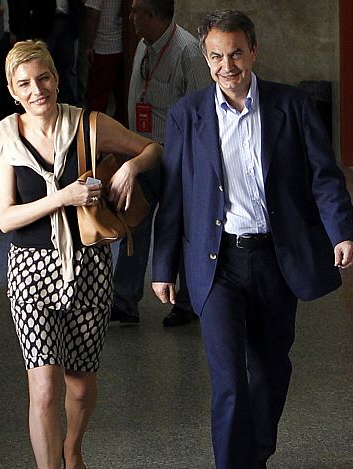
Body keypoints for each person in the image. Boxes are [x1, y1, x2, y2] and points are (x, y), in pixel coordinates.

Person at [151, 10, 353, 469]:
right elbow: (174, 194)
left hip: (275, 260)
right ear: (206, 58)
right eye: (217, 56)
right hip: (215, 266)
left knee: (271, 372)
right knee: (229, 385)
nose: (228, 66)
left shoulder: (292, 107)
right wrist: (162, 266)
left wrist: (342, 232)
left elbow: (324, 177)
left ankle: (256, 452)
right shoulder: (188, 115)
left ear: (254, 51)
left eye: (237, 54)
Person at [0, 40, 160, 469]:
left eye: (43, 79)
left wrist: (129, 168)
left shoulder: (88, 124)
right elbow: (5, 218)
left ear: (57, 78)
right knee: (44, 390)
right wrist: (61, 196)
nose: (36, 90)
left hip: (87, 269)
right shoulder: (3, 140)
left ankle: (73, 451)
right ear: (13, 92)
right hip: (30, 273)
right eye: (24, 84)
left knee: (81, 387)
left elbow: (153, 147)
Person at [109, 0, 209, 326]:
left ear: (153, 15)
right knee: (132, 224)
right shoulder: (144, 45)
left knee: (180, 229)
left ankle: (187, 304)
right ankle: (123, 302)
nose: (131, 16)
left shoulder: (188, 53)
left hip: (177, 157)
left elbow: (201, 114)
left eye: (136, 11)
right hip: (143, 154)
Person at [7, 0, 81, 105]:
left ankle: (71, 108)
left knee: (69, 69)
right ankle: (43, 104)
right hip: (42, 22)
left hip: (68, 20)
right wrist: (15, 28)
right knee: (39, 68)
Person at [82, 0, 127, 125]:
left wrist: (89, 45)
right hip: (119, 44)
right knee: (120, 98)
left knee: (96, 99)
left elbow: (93, 14)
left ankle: (94, 133)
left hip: (103, 46)